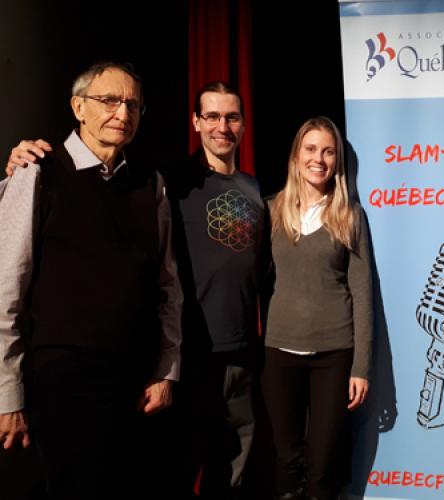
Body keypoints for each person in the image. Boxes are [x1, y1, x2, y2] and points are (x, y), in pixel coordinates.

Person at [6, 81, 267, 499]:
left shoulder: (255, 191)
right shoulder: (169, 180)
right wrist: (25, 155)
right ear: (196, 122)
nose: (223, 126)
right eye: (212, 116)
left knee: (231, 477)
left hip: (236, 360)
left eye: (232, 117)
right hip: (182, 362)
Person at [0, 61, 182, 499]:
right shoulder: (37, 171)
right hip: (60, 383)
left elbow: (167, 286)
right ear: (78, 107)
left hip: (133, 385)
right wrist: (7, 394)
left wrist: (167, 369)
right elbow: (7, 287)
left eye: (133, 104)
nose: (123, 113)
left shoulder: (149, 184)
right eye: (110, 100)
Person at [263, 116, 372, 500]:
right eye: (311, 149)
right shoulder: (272, 210)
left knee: (323, 465)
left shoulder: (350, 216)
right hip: (279, 352)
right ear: (296, 156)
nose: (319, 159)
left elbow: (362, 293)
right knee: (285, 459)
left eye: (328, 151)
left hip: (334, 354)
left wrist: (360, 367)